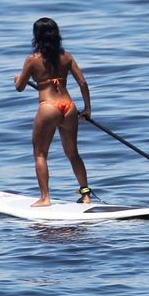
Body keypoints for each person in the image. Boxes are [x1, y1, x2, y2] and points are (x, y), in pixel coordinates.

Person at [14, 17, 92, 207]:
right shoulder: (66, 56)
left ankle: (45, 198)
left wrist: (18, 79)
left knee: (40, 154)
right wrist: (87, 108)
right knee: (73, 154)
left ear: (36, 36)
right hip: (69, 106)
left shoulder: (33, 60)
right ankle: (86, 195)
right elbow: (82, 83)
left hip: (48, 106)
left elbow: (20, 87)